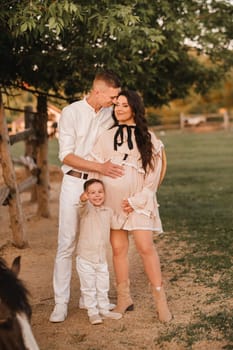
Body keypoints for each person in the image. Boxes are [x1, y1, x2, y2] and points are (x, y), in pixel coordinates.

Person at [90, 90, 172, 322]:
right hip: (113, 202)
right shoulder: (106, 136)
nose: (119, 109)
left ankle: (160, 301)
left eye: (125, 105)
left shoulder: (148, 138)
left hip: (138, 202)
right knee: (118, 249)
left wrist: (136, 200)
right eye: (117, 105)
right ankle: (124, 298)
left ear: (135, 108)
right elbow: (96, 164)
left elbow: (154, 175)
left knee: (145, 246)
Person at [49, 70, 123, 323]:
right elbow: (66, 156)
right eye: (112, 96)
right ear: (98, 91)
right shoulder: (71, 113)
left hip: (98, 186)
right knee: (67, 243)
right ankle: (60, 303)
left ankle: (87, 298)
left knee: (94, 242)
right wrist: (99, 168)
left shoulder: (109, 114)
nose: (114, 101)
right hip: (73, 182)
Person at [76, 178, 124, 325]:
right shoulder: (86, 210)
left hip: (101, 258)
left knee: (103, 285)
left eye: (100, 192)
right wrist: (83, 200)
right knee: (89, 287)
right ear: (86, 195)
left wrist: (126, 213)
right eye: (92, 193)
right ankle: (93, 312)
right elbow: (81, 206)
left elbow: (117, 224)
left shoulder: (108, 211)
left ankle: (104, 309)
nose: (97, 195)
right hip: (85, 257)